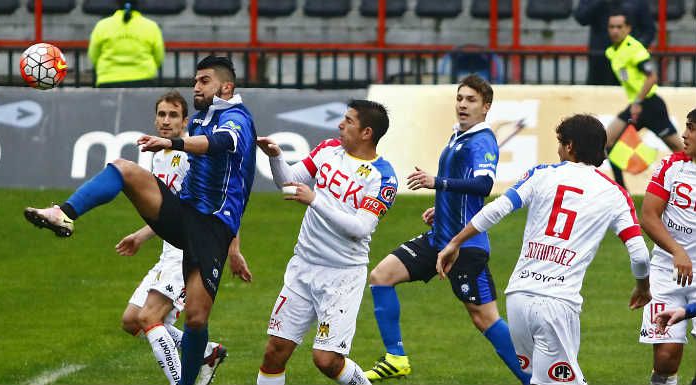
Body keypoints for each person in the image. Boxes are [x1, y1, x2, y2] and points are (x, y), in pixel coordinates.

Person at [24, 56, 255, 385]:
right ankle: (64, 213)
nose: (196, 87)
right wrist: (145, 232)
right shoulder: (205, 120)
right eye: (195, 81)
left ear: (226, 86)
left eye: (204, 81)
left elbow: (224, 144)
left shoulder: (236, 118)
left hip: (211, 230)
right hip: (185, 219)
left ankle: (192, 374)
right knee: (123, 169)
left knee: (195, 320)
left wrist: (233, 248)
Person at [437, 113, 651, 385]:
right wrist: (643, 287)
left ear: (571, 146)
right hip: (556, 304)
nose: (558, 149)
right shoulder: (615, 194)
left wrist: (455, 241)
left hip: (517, 299)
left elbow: (497, 208)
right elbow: (640, 255)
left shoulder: (541, 174)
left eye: (561, 143)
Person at [364, 74, 529, 384]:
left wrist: (436, 183)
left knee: (485, 318)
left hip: (466, 247)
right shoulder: (458, 137)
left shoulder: (482, 140)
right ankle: (396, 358)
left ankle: (533, 378)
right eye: (460, 98)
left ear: (486, 107)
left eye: (471, 100)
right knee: (381, 277)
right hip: (439, 237)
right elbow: (462, 193)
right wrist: (440, 209)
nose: (463, 105)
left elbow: (483, 185)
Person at [255, 100, 397, 385]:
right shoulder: (328, 150)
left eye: (348, 121)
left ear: (366, 132)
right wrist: (276, 157)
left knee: (327, 360)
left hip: (342, 276)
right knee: (275, 352)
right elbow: (290, 183)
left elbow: (360, 228)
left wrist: (316, 200)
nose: (340, 125)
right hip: (303, 267)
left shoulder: (384, 177)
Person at [116, 90, 251, 385]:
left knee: (148, 318)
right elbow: (172, 212)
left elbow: (221, 204)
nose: (166, 121)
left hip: (189, 252)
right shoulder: (160, 155)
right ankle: (206, 352)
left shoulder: (193, 154)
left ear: (185, 120)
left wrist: (233, 250)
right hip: (169, 249)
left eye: (173, 115)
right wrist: (141, 236)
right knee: (131, 320)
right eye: (161, 115)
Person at [639, 108, 696, 385]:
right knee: (665, 357)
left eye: (692, 128)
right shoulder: (670, 166)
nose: (684, 134)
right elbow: (648, 215)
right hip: (667, 270)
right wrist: (677, 251)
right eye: (686, 127)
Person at [604, 9, 682, 189]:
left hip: (650, 105)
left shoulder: (635, 49)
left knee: (681, 151)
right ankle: (621, 190)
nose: (615, 30)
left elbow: (652, 77)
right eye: (611, 27)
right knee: (607, 141)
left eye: (619, 27)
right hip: (636, 106)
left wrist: (638, 102)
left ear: (628, 28)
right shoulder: (611, 51)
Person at [574, 0, 655, 86]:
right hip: (600, 59)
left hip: (626, 62)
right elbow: (581, 17)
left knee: (626, 89)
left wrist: (634, 50)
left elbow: (649, 30)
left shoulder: (638, 3)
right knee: (598, 93)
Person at [88, 0, 165, 88]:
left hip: (108, 80)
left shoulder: (102, 26)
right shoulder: (151, 26)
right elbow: (159, 57)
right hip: (144, 80)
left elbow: (93, 56)